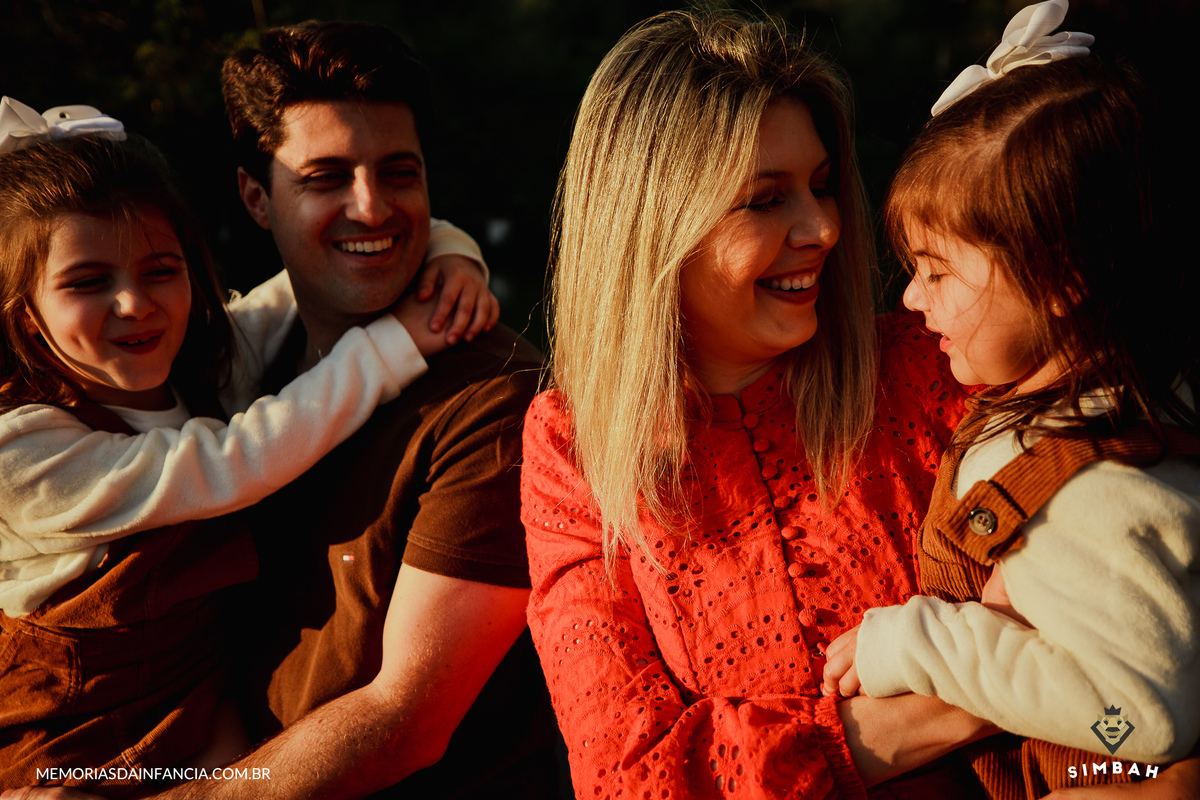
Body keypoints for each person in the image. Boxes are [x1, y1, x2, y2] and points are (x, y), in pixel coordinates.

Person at [521, 8, 1200, 800]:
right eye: (765, 200)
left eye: (820, 185)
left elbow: (1151, 613)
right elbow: (630, 780)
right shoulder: (574, 447)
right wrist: (967, 689)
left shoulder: (942, 360)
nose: (825, 226)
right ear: (655, 227)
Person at [90, 20, 555, 800]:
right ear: (255, 197)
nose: (371, 208)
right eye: (326, 178)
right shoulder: (237, 369)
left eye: (398, 173)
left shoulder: (496, 398)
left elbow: (407, 720)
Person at [0, 103, 492, 790]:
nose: (134, 303)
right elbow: (230, 462)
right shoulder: (20, 449)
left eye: (160, 270)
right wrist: (394, 345)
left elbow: (317, 270)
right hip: (63, 747)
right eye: (88, 282)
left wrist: (444, 250)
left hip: (191, 725)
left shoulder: (203, 364)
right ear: (25, 311)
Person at [819, 1, 1200, 795]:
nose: (914, 302)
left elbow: (1134, 720)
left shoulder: (1097, 493)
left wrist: (922, 644)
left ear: (1062, 278)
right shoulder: (1099, 399)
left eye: (937, 269)